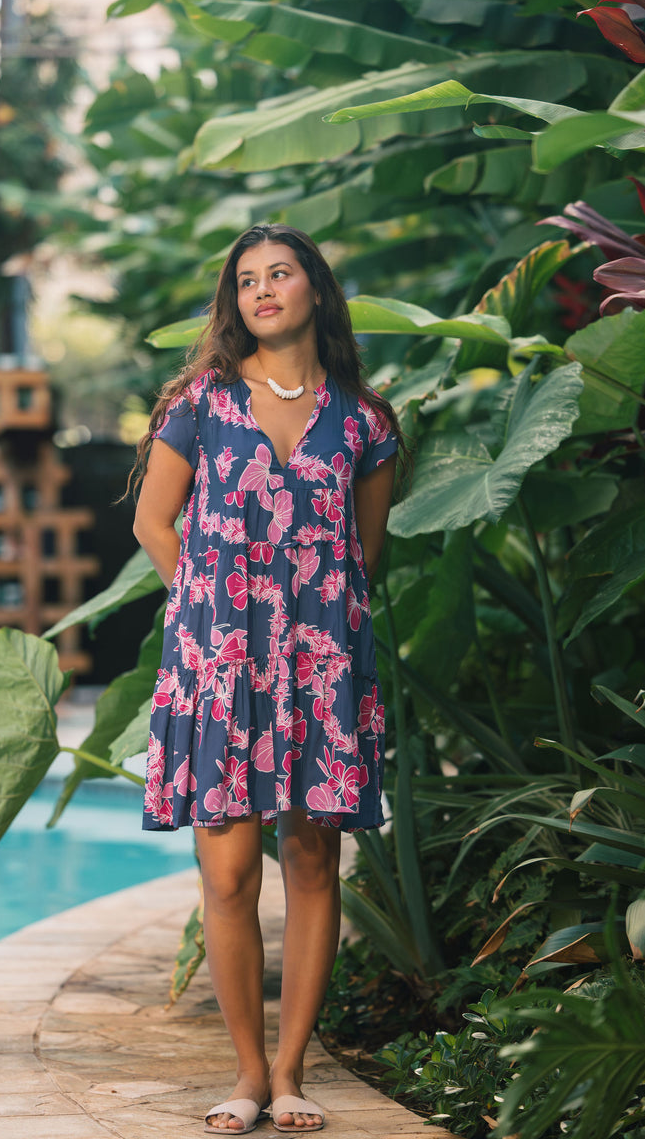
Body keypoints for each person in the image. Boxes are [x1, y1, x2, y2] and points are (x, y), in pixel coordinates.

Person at [132, 224, 402, 1134]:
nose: (263, 290)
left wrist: (305, 627)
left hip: (321, 664)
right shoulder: (204, 402)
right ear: (234, 302)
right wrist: (214, 614)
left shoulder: (365, 420)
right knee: (232, 869)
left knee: (315, 858)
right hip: (222, 664)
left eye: (279, 274)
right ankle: (245, 1074)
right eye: (247, 280)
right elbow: (153, 521)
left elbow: (363, 555)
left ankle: (290, 1072)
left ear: (314, 291)